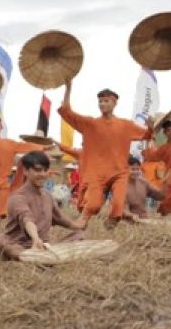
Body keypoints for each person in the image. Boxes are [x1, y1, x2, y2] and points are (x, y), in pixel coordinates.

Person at [60, 83, 153, 230]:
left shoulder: (126, 125)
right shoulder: (90, 123)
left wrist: (152, 126)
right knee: (94, 205)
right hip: (97, 173)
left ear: (114, 103)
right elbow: (67, 112)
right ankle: (81, 222)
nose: (102, 104)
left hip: (119, 172)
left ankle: (113, 220)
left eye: (106, 101)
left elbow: (147, 135)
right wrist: (68, 89)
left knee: (117, 204)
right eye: (100, 101)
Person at [0, 151, 84, 260]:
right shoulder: (17, 197)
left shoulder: (47, 195)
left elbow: (59, 218)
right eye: (38, 170)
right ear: (25, 171)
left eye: (45, 170)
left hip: (44, 246)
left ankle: (43, 256)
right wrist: (35, 239)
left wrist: (78, 225)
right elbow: (27, 219)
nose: (43, 174)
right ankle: (29, 257)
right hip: (20, 245)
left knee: (79, 235)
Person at [0, 108, 45, 225]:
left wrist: (42, 147)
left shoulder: (10, 144)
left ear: (1, 127)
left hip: (1, 184)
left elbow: (25, 146)